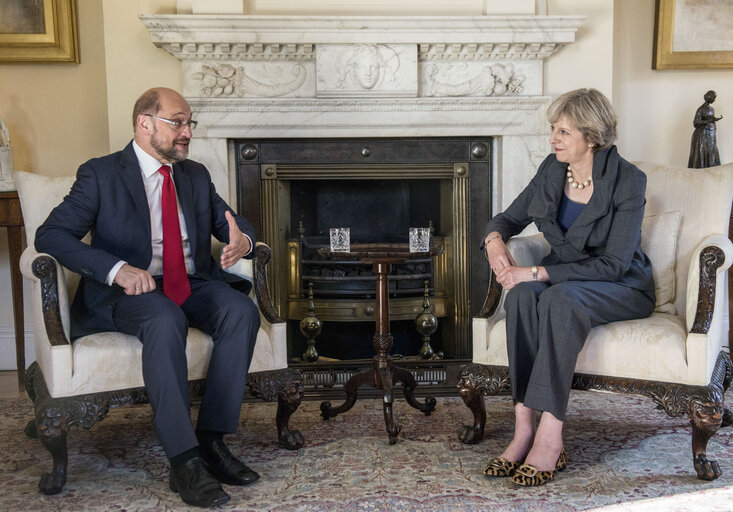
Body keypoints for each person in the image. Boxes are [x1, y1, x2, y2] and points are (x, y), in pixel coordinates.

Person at [35, 87, 261, 508]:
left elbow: (231, 220)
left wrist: (243, 242)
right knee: (163, 319)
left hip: (190, 282)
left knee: (240, 310)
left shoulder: (194, 174)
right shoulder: (101, 174)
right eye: (178, 122)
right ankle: (184, 461)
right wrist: (117, 269)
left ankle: (211, 441)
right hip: (128, 291)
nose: (187, 132)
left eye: (190, 123)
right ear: (145, 123)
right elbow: (50, 235)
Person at [480, 88, 655, 486]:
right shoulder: (551, 169)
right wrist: (493, 242)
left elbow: (613, 264)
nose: (553, 139)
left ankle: (551, 434)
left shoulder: (628, 180)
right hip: (567, 277)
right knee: (521, 296)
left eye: (563, 131)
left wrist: (536, 272)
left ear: (591, 137)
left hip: (620, 284)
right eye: (552, 130)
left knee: (554, 295)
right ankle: (523, 426)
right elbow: (507, 219)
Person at [688, 90, 722, 168]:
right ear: (709, 97)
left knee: (712, 155)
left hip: (711, 134)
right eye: (713, 98)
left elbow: (710, 119)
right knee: (702, 155)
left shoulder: (712, 109)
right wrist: (707, 121)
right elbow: (695, 122)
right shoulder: (701, 109)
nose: (714, 100)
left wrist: (714, 119)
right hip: (702, 135)